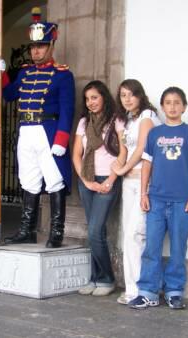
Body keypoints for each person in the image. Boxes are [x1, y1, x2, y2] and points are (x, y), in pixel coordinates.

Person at [0, 7, 75, 248]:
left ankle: (56, 232)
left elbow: (67, 108)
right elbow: (8, 95)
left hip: (48, 130)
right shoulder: (25, 73)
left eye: (41, 46)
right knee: (28, 180)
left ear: (51, 47)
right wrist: (1, 74)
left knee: (54, 181)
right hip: (26, 130)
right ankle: (27, 230)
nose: (36, 51)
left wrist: (61, 139)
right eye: (33, 47)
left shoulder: (62, 75)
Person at [128, 87, 188, 309]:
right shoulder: (154, 134)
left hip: (182, 201)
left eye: (177, 102)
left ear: (184, 106)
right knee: (152, 246)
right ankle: (148, 291)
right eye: (168, 103)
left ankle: (174, 290)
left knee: (179, 247)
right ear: (162, 107)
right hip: (156, 201)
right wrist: (144, 193)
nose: (172, 106)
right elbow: (147, 165)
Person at [72, 80, 127, 297]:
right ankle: (95, 278)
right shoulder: (84, 123)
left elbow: (123, 152)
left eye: (94, 97)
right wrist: (85, 180)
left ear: (104, 96)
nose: (90, 102)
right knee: (96, 231)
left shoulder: (117, 121)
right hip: (87, 180)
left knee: (95, 230)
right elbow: (77, 154)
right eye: (87, 99)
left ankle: (107, 279)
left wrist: (111, 179)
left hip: (108, 179)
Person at [111, 79, 161, 305]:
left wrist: (123, 168)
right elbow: (126, 149)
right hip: (128, 183)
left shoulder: (147, 116)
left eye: (131, 94)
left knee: (136, 234)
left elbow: (142, 149)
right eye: (123, 95)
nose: (127, 99)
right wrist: (117, 168)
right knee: (129, 235)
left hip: (144, 183)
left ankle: (142, 290)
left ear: (140, 95)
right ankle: (133, 288)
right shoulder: (129, 120)